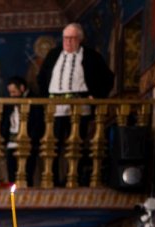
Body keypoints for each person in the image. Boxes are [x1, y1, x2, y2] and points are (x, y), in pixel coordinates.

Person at [35, 23, 114, 186]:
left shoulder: (91, 56)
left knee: (76, 143)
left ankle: (74, 178)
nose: (68, 42)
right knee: (53, 143)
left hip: (80, 105)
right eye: (65, 38)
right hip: (55, 106)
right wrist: (45, 99)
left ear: (80, 39)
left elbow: (107, 78)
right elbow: (42, 78)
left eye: (72, 38)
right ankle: (52, 179)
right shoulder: (53, 54)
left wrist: (96, 95)